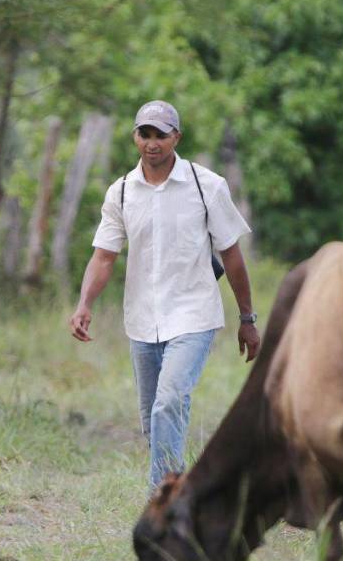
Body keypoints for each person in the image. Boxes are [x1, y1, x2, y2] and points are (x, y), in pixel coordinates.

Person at [68, 100, 260, 490]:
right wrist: (84, 303)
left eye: (161, 134)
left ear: (177, 137)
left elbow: (232, 255)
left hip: (193, 315)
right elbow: (104, 257)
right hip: (142, 319)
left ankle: (165, 502)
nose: (152, 143)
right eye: (145, 134)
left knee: (168, 401)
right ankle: (181, 485)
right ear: (135, 136)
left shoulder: (207, 186)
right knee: (153, 419)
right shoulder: (121, 192)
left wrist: (247, 318)